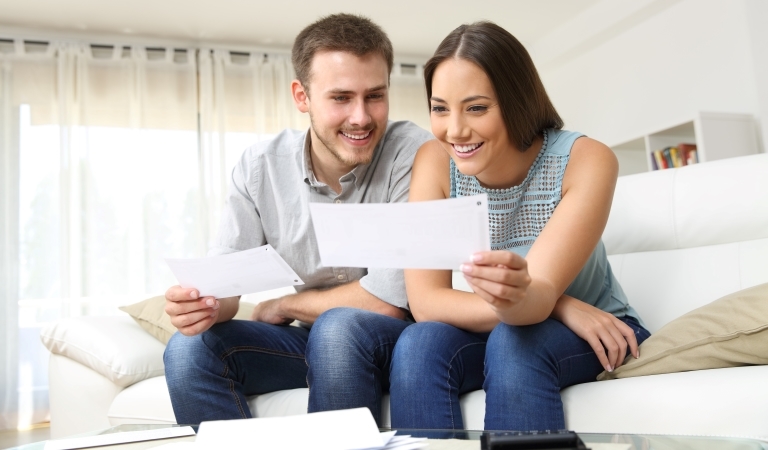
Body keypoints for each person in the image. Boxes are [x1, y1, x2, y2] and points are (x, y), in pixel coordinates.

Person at [162, 13, 432, 425]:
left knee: (339, 330)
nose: (361, 117)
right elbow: (227, 283)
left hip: (399, 343)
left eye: (374, 96)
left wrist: (286, 303)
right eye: (341, 98)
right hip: (313, 342)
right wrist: (204, 306)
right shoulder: (260, 167)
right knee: (188, 349)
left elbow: (388, 302)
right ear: (302, 96)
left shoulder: (413, 153)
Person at [389, 21, 651, 431]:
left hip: (599, 329)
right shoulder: (434, 162)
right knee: (419, 344)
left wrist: (549, 303)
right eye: (440, 108)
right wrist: (563, 306)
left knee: (516, 343)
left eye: (476, 108)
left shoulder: (587, 160)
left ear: (515, 101)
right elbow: (426, 302)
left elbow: (539, 295)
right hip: (542, 319)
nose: (454, 130)